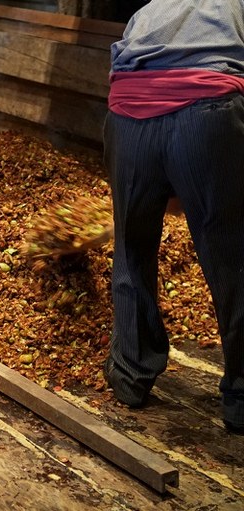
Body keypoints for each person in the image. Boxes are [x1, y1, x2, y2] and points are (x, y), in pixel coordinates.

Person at [103, 0, 244, 434]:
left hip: (126, 115)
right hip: (206, 115)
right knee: (231, 259)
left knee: (132, 248)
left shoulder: (150, 8)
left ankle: (130, 374)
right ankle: (241, 399)